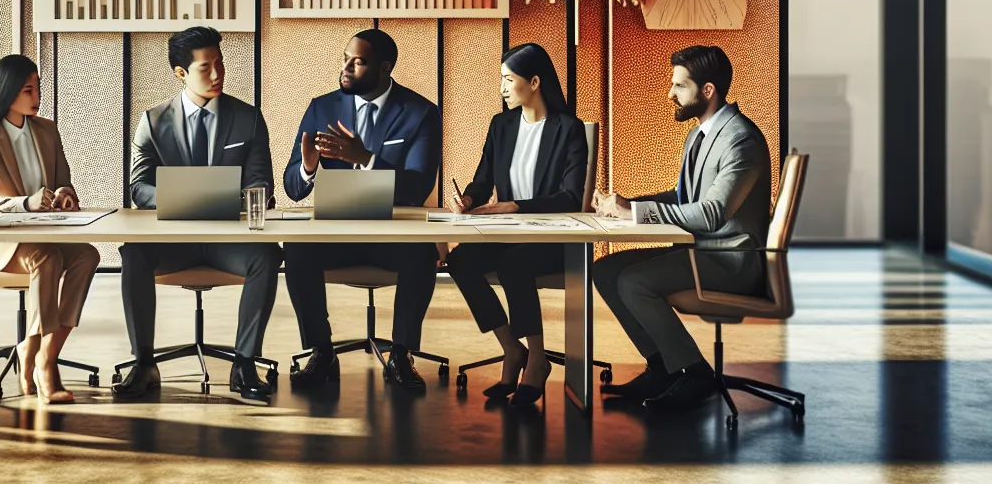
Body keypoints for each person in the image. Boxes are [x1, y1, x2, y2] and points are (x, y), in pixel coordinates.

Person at [590, 44, 770, 413]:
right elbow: (682, 195)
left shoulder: (741, 140)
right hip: (704, 251)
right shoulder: (698, 134)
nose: (671, 93)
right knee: (606, 270)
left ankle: (694, 371)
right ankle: (663, 369)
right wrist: (626, 206)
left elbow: (711, 213)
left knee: (633, 281)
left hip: (731, 260)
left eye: (680, 86)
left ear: (707, 91)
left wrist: (637, 214)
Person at [112, 26, 280, 402]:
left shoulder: (248, 118)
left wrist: (249, 197)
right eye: (206, 67)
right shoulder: (153, 122)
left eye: (220, 63)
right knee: (133, 254)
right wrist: (191, 199)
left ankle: (245, 363)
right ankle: (143, 363)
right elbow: (138, 188)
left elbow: (260, 183)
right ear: (181, 73)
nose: (218, 74)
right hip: (174, 239)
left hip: (229, 240)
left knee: (267, 256)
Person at [282, 28, 441, 393]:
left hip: (394, 233)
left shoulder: (420, 113)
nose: (347, 67)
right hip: (338, 231)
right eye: (345, 59)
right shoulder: (322, 107)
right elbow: (292, 187)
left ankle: (401, 355)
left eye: (359, 62)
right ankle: (322, 352)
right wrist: (307, 168)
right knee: (297, 248)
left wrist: (366, 159)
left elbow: (418, 187)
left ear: (385, 68)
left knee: (422, 253)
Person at [444, 43, 591, 407]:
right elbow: (481, 181)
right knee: (460, 260)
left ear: (535, 81)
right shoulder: (501, 125)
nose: (502, 88)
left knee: (514, 263)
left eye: (508, 80)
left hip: (554, 242)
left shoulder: (569, 129)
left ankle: (538, 359)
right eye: (501, 80)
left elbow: (570, 198)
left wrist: (516, 205)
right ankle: (512, 349)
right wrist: (468, 200)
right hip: (508, 235)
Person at [0, 53, 100, 405]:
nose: (36, 96)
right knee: (46, 258)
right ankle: (45, 367)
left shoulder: (47, 130)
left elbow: (63, 182)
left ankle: (41, 350)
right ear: (8, 93)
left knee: (87, 254)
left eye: (38, 87)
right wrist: (25, 203)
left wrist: (65, 195)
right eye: (28, 89)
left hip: (45, 231)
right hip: (3, 240)